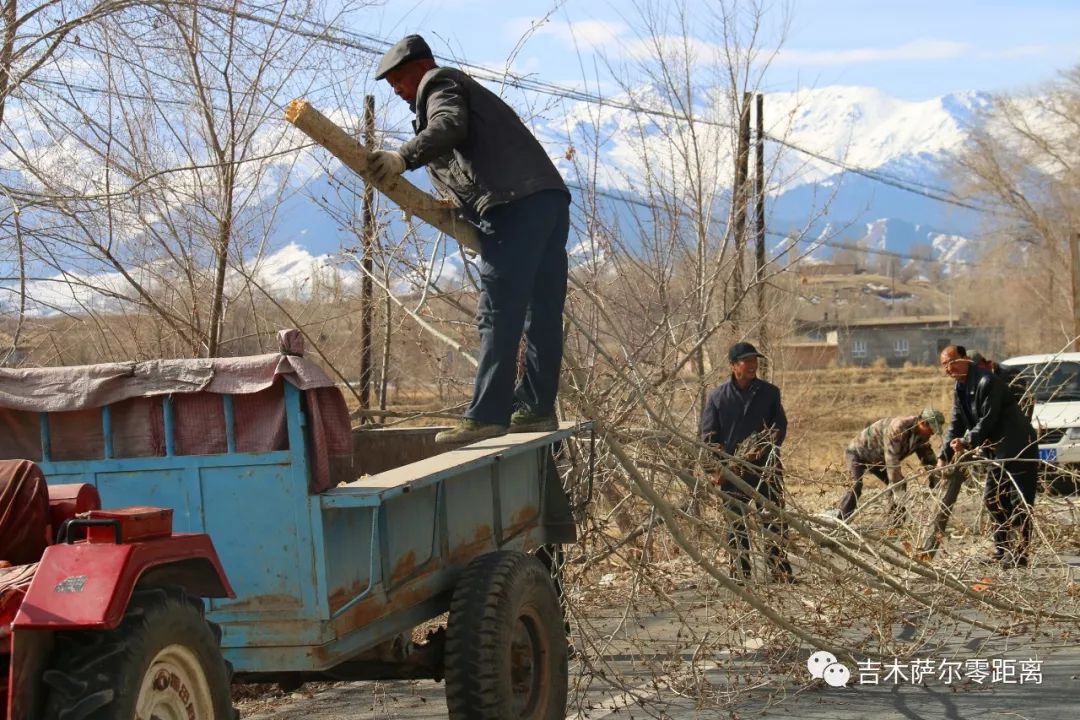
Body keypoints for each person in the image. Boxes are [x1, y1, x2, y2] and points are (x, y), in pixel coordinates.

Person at [370, 35, 571, 444]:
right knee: (542, 313)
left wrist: (403, 157)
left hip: (512, 205)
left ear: (420, 68)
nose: (396, 90)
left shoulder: (439, 84)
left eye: (398, 80)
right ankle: (535, 409)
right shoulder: (458, 92)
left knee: (498, 312)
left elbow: (448, 126)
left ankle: (488, 415)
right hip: (548, 199)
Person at [937, 345, 1039, 567]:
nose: (949, 368)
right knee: (993, 499)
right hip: (996, 451)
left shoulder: (988, 381)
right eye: (944, 365)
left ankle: (1020, 554)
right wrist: (943, 454)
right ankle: (1002, 550)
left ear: (966, 359)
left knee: (1019, 501)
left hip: (1018, 447)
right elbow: (956, 422)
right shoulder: (960, 387)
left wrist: (966, 441)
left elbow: (988, 420)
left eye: (952, 362)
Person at [701, 342, 793, 583]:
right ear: (733, 366)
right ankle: (741, 575)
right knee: (736, 524)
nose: (753, 365)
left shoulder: (770, 393)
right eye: (747, 361)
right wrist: (716, 469)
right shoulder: (717, 397)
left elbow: (779, 427)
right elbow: (709, 437)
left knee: (773, 520)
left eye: (755, 360)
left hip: (766, 469)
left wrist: (763, 447)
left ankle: (780, 572)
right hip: (731, 473)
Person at [836, 409, 945, 525]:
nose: (932, 433)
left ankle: (897, 524)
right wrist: (897, 490)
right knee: (855, 485)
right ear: (922, 423)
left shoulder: (922, 435)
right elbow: (892, 460)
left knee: (901, 484)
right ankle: (840, 523)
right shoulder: (898, 428)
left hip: (879, 459)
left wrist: (937, 479)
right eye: (931, 429)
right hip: (858, 454)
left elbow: (928, 458)